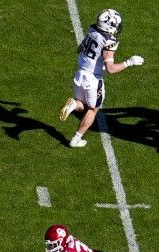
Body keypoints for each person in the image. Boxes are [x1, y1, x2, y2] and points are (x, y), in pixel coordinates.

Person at [57, 9, 145, 148]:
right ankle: (75, 139)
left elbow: (79, 49)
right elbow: (110, 69)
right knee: (93, 109)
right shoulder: (110, 41)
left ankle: (73, 104)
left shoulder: (92, 30)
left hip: (79, 75)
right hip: (93, 79)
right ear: (109, 26)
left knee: (82, 106)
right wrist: (129, 62)